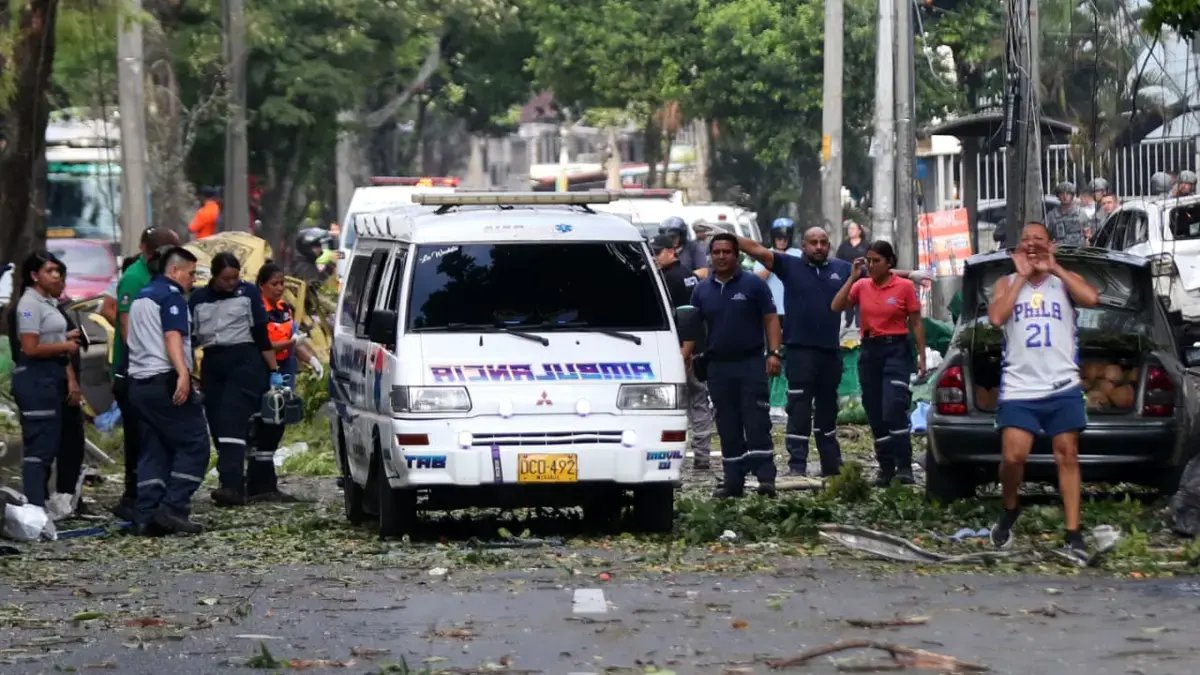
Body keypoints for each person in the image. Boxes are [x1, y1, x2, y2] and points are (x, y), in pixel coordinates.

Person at [985, 222, 1100, 565]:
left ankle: (1073, 533)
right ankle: (1010, 509)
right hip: (1020, 387)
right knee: (1013, 457)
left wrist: (1056, 268)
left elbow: (1092, 298)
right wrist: (1021, 278)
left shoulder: (1062, 281)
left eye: (1039, 239)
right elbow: (996, 318)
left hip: (1061, 384)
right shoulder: (1006, 283)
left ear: (1051, 245)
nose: (1032, 245)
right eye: (1026, 240)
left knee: (1068, 453)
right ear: (1017, 248)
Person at [737, 226, 850, 478]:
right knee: (798, 409)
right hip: (800, 351)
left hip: (830, 353)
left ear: (829, 245)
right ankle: (797, 465)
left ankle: (831, 465)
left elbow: (875, 269)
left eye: (823, 242)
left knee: (828, 410)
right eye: (813, 242)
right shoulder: (789, 265)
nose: (818, 247)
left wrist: (910, 275)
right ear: (803, 245)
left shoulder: (842, 269)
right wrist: (726, 236)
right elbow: (756, 250)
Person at [683, 233, 782, 498]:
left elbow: (771, 318)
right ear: (710, 255)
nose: (721, 256)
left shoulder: (753, 284)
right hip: (718, 367)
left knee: (757, 421)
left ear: (736, 255)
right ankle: (733, 481)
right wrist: (685, 357)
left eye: (727, 252)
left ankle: (766, 479)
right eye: (716, 252)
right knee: (727, 425)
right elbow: (692, 326)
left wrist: (774, 353)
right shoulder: (702, 290)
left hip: (750, 364)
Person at [126, 246, 209, 535]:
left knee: (155, 448)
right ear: (174, 270)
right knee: (195, 443)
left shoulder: (141, 297)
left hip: (139, 384)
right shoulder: (171, 296)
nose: (193, 280)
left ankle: (146, 513)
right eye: (191, 273)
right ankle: (174, 507)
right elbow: (172, 336)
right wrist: (184, 374)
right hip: (164, 381)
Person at [831, 240, 927, 485]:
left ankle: (904, 466)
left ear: (889, 262)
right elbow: (836, 305)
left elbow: (916, 323)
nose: (871, 265)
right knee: (874, 411)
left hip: (896, 350)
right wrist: (852, 277)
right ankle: (886, 468)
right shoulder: (861, 286)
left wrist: (922, 357)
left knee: (893, 406)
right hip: (869, 351)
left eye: (877, 261)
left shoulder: (904, 287)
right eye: (869, 261)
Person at [190, 252, 280, 507]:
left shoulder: (247, 293)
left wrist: (274, 370)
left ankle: (232, 485)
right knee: (217, 422)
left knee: (232, 419)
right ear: (214, 277)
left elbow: (260, 335)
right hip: (213, 363)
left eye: (235, 278)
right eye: (226, 279)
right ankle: (233, 479)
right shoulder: (198, 299)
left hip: (245, 362)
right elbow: (190, 337)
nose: (231, 283)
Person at [111, 227, 181, 521]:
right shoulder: (134, 278)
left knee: (156, 435)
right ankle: (133, 496)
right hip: (136, 371)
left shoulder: (161, 277)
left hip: (157, 369)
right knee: (139, 436)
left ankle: (153, 493)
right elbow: (127, 329)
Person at [7, 251, 81, 508]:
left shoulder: (48, 302)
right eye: (49, 271)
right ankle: (35, 507)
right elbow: (30, 348)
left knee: (51, 445)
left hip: (54, 375)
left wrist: (65, 339)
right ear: (34, 275)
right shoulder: (29, 304)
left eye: (57, 271)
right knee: (39, 448)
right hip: (36, 378)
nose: (56, 276)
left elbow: (49, 337)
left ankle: (43, 504)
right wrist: (65, 346)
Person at [249, 263, 322, 501]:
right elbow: (265, 344)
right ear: (262, 285)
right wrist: (291, 344)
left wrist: (312, 360)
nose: (280, 288)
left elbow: (295, 339)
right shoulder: (258, 310)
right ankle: (258, 484)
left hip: (284, 370)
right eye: (275, 284)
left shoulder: (284, 310)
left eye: (282, 283)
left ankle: (265, 483)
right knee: (263, 425)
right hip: (264, 370)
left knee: (278, 424)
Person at [651, 234, 714, 471]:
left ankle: (673, 457)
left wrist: (683, 354)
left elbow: (688, 319)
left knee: (673, 403)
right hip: (697, 349)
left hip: (683, 351)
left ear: (671, 251)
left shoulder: (669, 278)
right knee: (699, 403)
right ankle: (702, 454)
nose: (654, 258)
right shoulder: (688, 274)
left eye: (658, 253)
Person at [752, 219, 802, 420]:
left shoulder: (797, 255)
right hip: (770, 314)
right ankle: (769, 401)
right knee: (770, 357)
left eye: (785, 237)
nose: (782, 241)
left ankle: (783, 401)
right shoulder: (764, 255)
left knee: (789, 358)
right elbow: (756, 280)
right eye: (778, 238)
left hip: (791, 312)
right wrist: (773, 262)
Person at [836, 221, 869, 330]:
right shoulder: (844, 245)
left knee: (861, 299)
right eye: (849, 229)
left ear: (859, 231)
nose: (850, 231)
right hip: (848, 277)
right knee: (849, 298)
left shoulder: (866, 245)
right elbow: (838, 260)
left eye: (853, 228)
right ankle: (848, 321)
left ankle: (860, 323)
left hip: (862, 277)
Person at [1045, 182, 1086, 248]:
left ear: (1072, 195)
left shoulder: (1080, 213)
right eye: (1061, 193)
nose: (1065, 196)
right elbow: (1045, 233)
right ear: (1058, 196)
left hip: (1079, 250)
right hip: (1060, 251)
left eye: (1068, 193)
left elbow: (1090, 232)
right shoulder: (1052, 215)